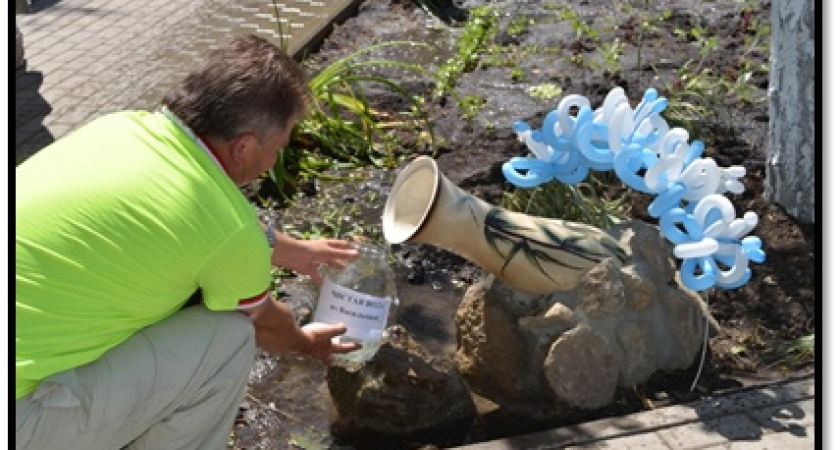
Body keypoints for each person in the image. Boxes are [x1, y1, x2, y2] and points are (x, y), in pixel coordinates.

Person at [15, 34, 362, 449]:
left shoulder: (121, 127)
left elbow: (202, 218)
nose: (274, 161)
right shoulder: (226, 229)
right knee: (230, 337)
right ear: (244, 146)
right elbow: (266, 324)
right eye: (277, 148)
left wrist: (292, 250)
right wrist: (307, 342)